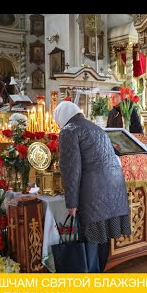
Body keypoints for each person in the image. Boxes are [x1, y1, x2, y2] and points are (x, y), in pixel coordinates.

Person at [53, 101, 132, 272]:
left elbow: (71, 169)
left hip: (93, 194)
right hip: (113, 191)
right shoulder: (95, 128)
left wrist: (71, 203)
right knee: (102, 238)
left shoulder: (69, 130)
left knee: (91, 241)